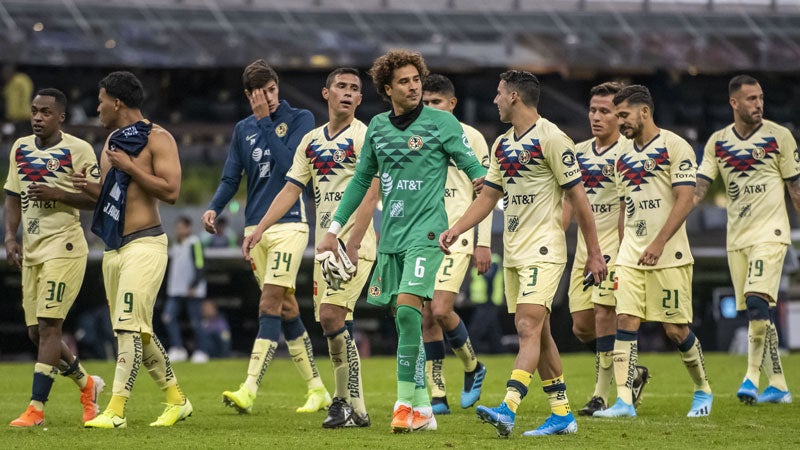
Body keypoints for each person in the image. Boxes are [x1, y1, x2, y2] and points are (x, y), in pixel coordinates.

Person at [317, 49, 487, 433]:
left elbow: (467, 160)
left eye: (417, 80)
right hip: (392, 237)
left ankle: (402, 403)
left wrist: (480, 178)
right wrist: (333, 230)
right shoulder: (377, 127)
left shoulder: (441, 123)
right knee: (402, 320)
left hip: (428, 234)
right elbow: (361, 181)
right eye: (405, 82)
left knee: (411, 312)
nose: (413, 88)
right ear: (387, 89)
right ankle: (423, 408)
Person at [440, 70, 607, 437]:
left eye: (500, 94)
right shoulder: (501, 144)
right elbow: (487, 197)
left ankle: (508, 408)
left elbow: (579, 198)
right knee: (541, 333)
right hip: (514, 251)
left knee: (527, 326)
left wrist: (594, 253)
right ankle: (562, 415)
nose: (495, 101)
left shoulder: (552, 138)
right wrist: (456, 229)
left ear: (514, 96)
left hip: (544, 247)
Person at [243, 67, 378, 428]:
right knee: (333, 323)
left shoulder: (366, 137)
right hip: (325, 248)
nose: (347, 93)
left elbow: (371, 192)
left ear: (360, 99)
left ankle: (339, 402)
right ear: (326, 93)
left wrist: (353, 241)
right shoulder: (311, 141)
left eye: (354, 89)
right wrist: (260, 229)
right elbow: (290, 189)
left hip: (354, 245)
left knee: (332, 316)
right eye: (341, 87)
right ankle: (358, 409)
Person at [202, 59, 330, 414]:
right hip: (253, 229)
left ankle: (249, 388)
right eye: (261, 94)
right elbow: (231, 178)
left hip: (290, 224)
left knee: (269, 303)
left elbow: (292, 166)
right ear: (249, 95)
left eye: (272, 90)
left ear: (277, 87)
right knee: (286, 308)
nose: (269, 98)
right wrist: (215, 207)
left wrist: (265, 122)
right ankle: (317, 389)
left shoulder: (301, 119)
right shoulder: (242, 129)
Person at [79, 71, 192, 428]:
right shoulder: (111, 141)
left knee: (129, 326)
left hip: (146, 244)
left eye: (100, 101)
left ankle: (115, 411)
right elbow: (110, 195)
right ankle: (177, 401)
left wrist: (130, 167)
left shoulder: (159, 138)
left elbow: (171, 192)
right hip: (114, 249)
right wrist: (83, 188)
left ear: (117, 102)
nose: (97, 108)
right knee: (138, 331)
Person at [595, 84, 712, 418]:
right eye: (616, 116)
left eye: (624, 115)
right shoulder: (621, 155)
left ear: (644, 111)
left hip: (669, 253)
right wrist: (621, 251)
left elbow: (686, 199)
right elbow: (624, 208)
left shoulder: (675, 146)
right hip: (631, 253)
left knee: (674, 330)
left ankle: (702, 389)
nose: (620, 122)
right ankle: (623, 402)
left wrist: (658, 243)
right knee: (626, 320)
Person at [695, 75, 799, 405]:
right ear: (734, 103)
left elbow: (796, 188)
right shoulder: (718, 142)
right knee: (758, 312)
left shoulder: (779, 136)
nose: (758, 104)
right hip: (736, 238)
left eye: (761, 98)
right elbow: (699, 187)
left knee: (756, 302)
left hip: (771, 233)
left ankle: (751, 377)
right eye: (751, 99)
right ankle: (779, 384)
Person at [4, 88, 104, 427]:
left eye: (45, 112)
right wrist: (9, 236)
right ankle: (87, 385)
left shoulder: (79, 149)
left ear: (61, 116)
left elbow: (97, 199)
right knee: (36, 334)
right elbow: (12, 195)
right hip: (32, 249)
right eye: (34, 111)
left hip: (65, 247)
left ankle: (36, 408)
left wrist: (58, 193)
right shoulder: (20, 148)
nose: (37, 117)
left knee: (49, 328)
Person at [563, 81, 649, 416]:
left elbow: (632, 205)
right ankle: (632, 371)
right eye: (593, 110)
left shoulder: (629, 153)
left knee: (603, 315)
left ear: (620, 115)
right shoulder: (579, 152)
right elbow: (567, 202)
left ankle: (600, 395)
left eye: (605, 111)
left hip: (614, 249)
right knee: (581, 325)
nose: (596, 117)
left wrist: (625, 250)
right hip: (584, 249)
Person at [420, 74, 490, 415]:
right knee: (425, 316)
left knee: (440, 309)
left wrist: (483, 243)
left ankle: (472, 366)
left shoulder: (472, 137)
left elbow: (487, 192)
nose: (430, 108)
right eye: (426, 102)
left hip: (457, 235)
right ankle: (437, 394)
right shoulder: (414, 135)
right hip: (420, 237)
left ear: (452, 104)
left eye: (436, 102)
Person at [162, 215, 210, 364]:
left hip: (192, 291)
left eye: (181, 227)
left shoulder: (195, 243)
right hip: (176, 290)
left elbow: (200, 265)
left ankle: (201, 351)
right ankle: (177, 348)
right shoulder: (175, 246)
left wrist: (194, 284)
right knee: (168, 317)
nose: (179, 230)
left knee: (196, 321)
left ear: (189, 228)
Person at [467, 253, 505, 355]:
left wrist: (489, 298)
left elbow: (489, 278)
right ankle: (498, 350)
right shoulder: (479, 260)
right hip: (484, 300)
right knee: (493, 329)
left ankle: (469, 351)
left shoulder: (492, 260)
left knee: (476, 328)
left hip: (488, 301)